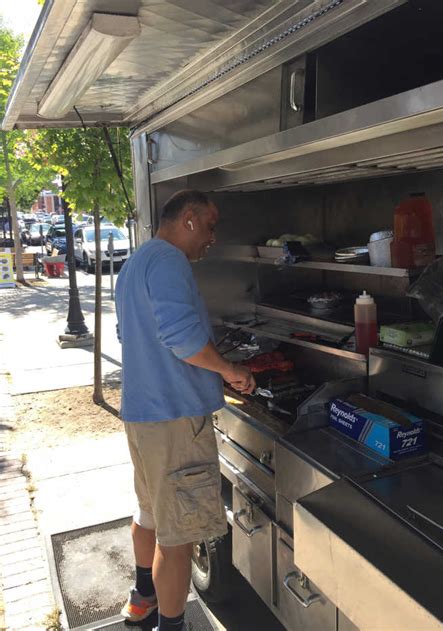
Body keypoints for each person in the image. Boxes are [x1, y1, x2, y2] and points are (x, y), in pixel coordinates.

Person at [115, 190, 255, 630]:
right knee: (178, 540)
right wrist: (229, 370)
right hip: (175, 420)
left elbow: (134, 335)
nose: (212, 239)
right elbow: (185, 341)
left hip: (142, 416)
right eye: (210, 227)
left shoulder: (135, 262)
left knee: (150, 513)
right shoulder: (170, 261)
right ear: (189, 219)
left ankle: (143, 598)